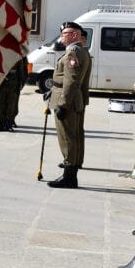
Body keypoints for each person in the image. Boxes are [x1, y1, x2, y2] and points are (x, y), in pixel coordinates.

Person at [47, 22, 91, 189]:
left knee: (67, 137)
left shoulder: (73, 52)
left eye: (65, 33)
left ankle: (69, 176)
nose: (61, 36)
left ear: (74, 35)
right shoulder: (81, 51)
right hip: (74, 99)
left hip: (68, 100)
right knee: (74, 135)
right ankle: (72, 168)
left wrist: (63, 104)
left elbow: (71, 80)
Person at [0, 55, 26, 131]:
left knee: (11, 104)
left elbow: (21, 70)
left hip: (13, 84)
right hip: (1, 83)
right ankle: (1, 123)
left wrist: (21, 82)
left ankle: (9, 124)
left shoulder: (17, 55)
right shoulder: (0, 53)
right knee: (1, 103)